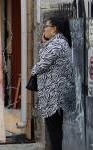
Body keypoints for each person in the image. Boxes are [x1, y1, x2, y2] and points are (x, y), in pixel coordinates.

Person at [31, 17, 76, 150]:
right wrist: (44, 40)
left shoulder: (57, 43)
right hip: (56, 92)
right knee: (55, 130)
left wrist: (33, 70)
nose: (44, 28)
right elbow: (45, 56)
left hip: (54, 95)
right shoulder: (59, 42)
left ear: (54, 28)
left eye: (46, 26)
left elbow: (42, 64)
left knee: (54, 130)